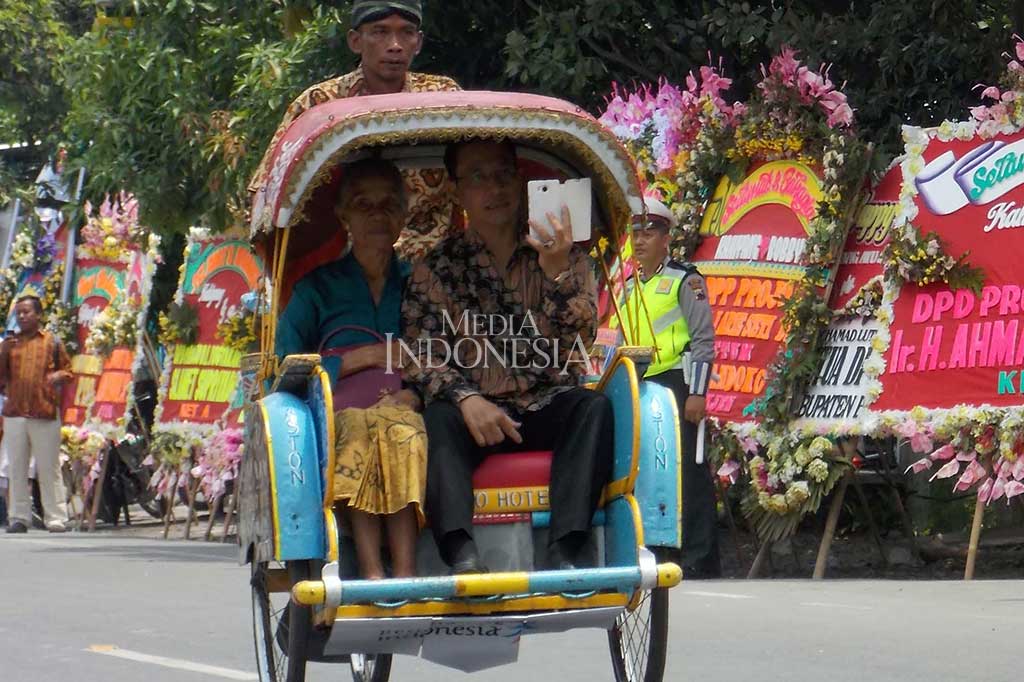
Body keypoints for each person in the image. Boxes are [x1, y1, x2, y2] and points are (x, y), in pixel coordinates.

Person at [402, 139, 614, 574]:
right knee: (438, 418)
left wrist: (555, 273)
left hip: (544, 402)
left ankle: (566, 548)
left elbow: (582, 335)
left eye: (502, 175)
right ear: (458, 191)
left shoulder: (566, 254)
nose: (493, 189)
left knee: (593, 408)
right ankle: (459, 551)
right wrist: (466, 399)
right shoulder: (436, 267)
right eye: (477, 178)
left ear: (519, 182)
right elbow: (422, 353)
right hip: (474, 414)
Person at [276, 158, 426, 579]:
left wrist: (416, 392)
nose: (377, 214)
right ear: (344, 216)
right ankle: (372, 570)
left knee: (401, 429)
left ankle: (407, 572)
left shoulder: (422, 283)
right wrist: (361, 358)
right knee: (360, 429)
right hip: (339, 414)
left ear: (402, 214)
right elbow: (283, 367)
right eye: (364, 204)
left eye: (387, 204)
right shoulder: (316, 289)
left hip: (407, 408)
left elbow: (446, 355)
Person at [250, 0, 460, 260]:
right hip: (342, 270)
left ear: (417, 42)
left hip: (435, 268)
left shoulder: (444, 99)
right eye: (380, 32)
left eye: (406, 32)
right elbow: (266, 193)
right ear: (355, 41)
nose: (395, 45)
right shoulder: (319, 103)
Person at [625, 198, 721, 578]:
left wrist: (697, 392)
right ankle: (660, 548)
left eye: (648, 232)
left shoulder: (686, 279)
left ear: (667, 238)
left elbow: (703, 340)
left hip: (676, 385)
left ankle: (700, 556)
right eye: (635, 232)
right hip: (639, 386)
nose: (640, 240)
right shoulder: (630, 285)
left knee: (689, 470)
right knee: (651, 470)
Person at [0, 295, 72, 534]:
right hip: (15, 415)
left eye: (27, 312)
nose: (22, 316)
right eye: (19, 313)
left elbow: (68, 370)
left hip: (44, 413)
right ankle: (19, 517)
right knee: (16, 468)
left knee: (48, 467)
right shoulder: (9, 345)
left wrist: (57, 377)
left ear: (38, 315)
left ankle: (56, 517)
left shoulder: (52, 343)